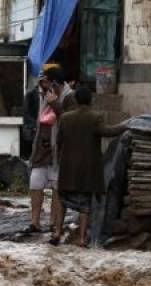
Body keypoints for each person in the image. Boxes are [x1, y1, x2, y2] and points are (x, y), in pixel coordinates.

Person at [53, 86, 126, 247]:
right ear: (90, 100)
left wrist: (59, 160)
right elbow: (108, 131)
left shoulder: (65, 118)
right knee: (85, 204)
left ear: (76, 100)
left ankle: (57, 232)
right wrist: (126, 126)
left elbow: (59, 141)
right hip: (87, 168)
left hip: (68, 167)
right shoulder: (95, 117)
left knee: (62, 199)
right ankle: (81, 239)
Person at [28, 82, 65, 233]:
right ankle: (34, 221)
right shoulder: (42, 108)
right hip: (40, 156)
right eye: (47, 92)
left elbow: (62, 117)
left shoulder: (61, 108)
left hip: (55, 157)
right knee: (35, 186)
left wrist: (55, 103)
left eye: (51, 92)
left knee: (57, 190)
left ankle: (53, 222)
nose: (47, 95)